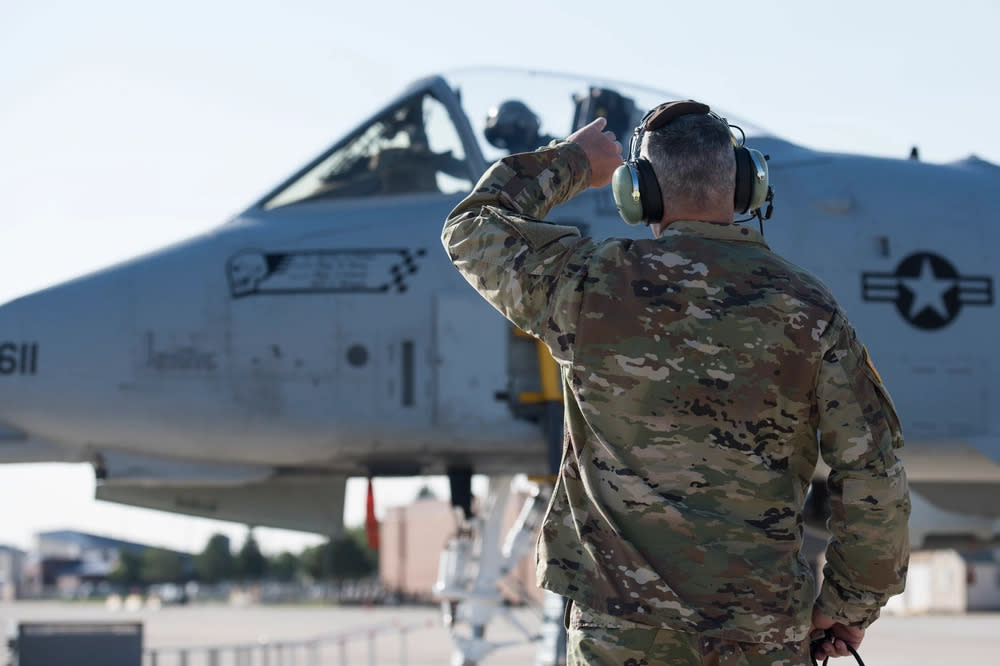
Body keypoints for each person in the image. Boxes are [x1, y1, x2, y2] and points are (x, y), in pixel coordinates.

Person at [441, 104, 910, 665]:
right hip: (760, 632)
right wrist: (848, 605)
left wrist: (571, 161)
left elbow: (473, 227)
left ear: (638, 194)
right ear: (745, 186)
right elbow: (873, 470)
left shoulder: (589, 284)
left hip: (622, 631)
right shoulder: (808, 310)